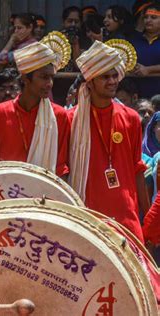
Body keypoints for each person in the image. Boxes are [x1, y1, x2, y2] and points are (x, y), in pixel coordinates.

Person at [69, 40, 148, 242]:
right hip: (88, 218)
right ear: (91, 81)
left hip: (127, 218)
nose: (112, 81)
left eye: (115, 76)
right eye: (105, 76)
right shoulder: (72, 120)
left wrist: (145, 219)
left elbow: (138, 169)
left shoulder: (130, 117)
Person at [0, 31, 72, 177]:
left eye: (52, 77)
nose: (49, 84)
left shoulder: (59, 115)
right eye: (44, 77)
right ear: (26, 78)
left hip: (45, 194)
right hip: (8, 191)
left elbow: (60, 167)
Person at [131, 3, 160, 98]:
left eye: (153, 17)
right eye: (146, 17)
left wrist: (148, 70)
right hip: (137, 96)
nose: (148, 20)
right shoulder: (134, 41)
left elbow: (146, 71)